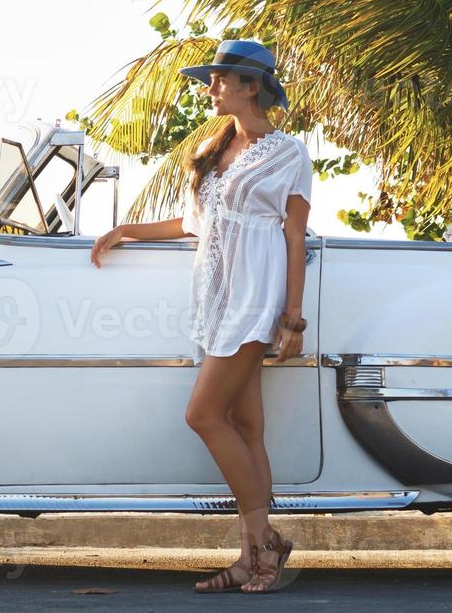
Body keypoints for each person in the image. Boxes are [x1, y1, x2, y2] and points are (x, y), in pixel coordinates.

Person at [89, 39, 311, 594]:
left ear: (250, 85)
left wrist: (291, 317)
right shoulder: (215, 147)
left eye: (218, 79)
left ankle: (266, 546)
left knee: (203, 415)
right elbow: (193, 224)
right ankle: (250, 557)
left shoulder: (288, 153)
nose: (209, 89)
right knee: (245, 426)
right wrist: (127, 230)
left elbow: (294, 234)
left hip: (254, 297)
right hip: (213, 297)